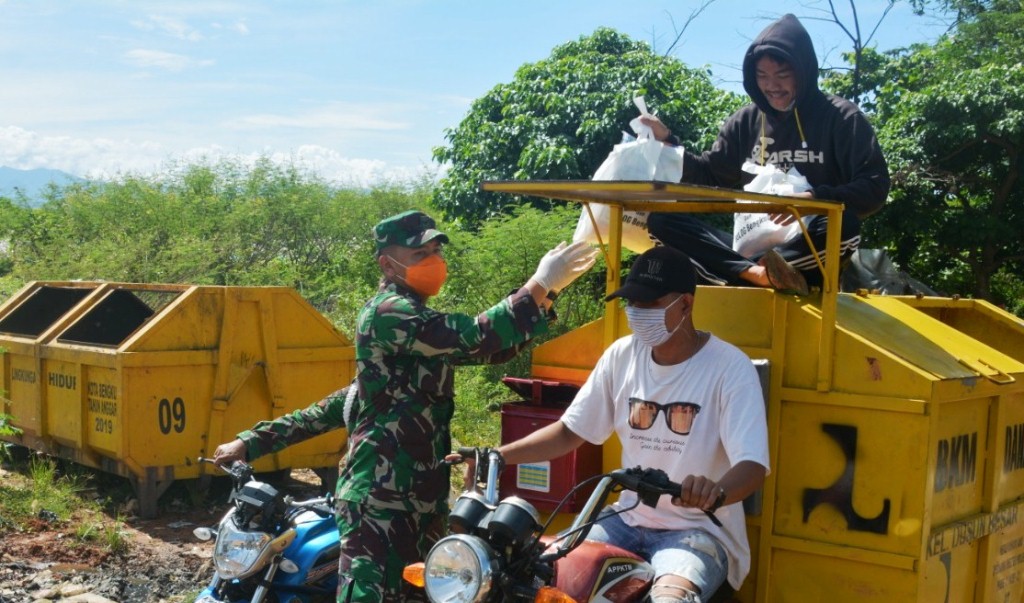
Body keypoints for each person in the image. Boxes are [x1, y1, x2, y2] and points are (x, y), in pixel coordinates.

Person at [212, 209, 598, 602]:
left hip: (422, 498)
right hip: (379, 498)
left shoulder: (419, 332)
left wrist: (548, 294)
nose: (433, 261)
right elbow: (474, 336)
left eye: (435, 250)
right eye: (419, 254)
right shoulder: (387, 313)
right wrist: (538, 283)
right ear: (387, 264)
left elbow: (492, 351)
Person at [489, 245, 769, 603]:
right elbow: (569, 432)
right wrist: (495, 457)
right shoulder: (622, 355)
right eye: (632, 303)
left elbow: (752, 465)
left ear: (686, 303)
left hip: (697, 531)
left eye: (649, 304)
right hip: (624, 520)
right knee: (541, 580)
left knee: (669, 599)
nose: (637, 313)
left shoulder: (730, 367)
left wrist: (715, 493)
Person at [642, 13, 890, 296]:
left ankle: (749, 271)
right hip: (749, 246)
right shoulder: (746, 121)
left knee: (843, 222)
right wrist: (668, 143)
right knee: (662, 220)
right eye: (762, 76)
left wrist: (813, 201)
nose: (772, 85)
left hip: (807, 248)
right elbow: (710, 177)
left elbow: (875, 185)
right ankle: (758, 273)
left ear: (804, 72)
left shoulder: (842, 118)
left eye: (782, 75)